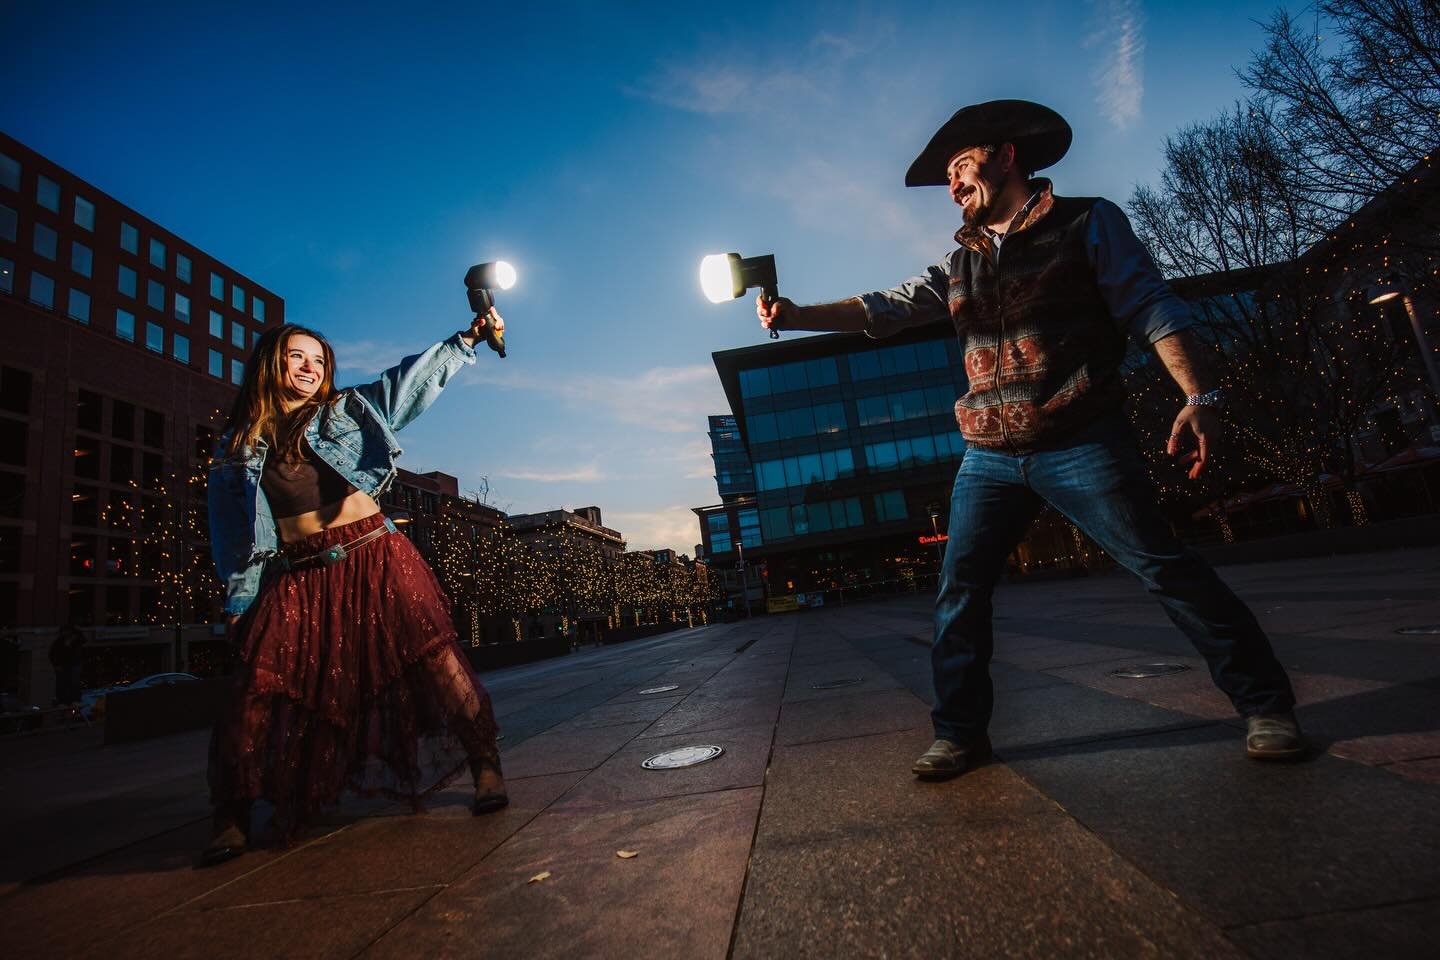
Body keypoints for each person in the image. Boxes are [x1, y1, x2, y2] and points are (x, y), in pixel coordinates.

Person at [756, 99, 1305, 779]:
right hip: (987, 456)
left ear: (1007, 155)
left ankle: (1266, 706)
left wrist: (1198, 397)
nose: (952, 183)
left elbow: (1150, 305)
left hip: (1079, 438)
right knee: (960, 592)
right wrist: (796, 313)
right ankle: (960, 734)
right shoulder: (958, 264)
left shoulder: (1087, 223)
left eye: (961, 165)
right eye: (948, 175)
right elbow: (883, 309)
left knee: (1164, 567)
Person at [201, 311, 509, 867]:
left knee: (437, 660)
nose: (309, 367)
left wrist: (466, 340)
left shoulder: (347, 412)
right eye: (297, 356)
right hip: (297, 575)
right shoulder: (238, 447)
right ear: (272, 363)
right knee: (256, 690)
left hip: (376, 554)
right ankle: (231, 815)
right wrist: (240, 601)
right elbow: (236, 537)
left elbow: (407, 383)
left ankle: (485, 764)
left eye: (318, 361)